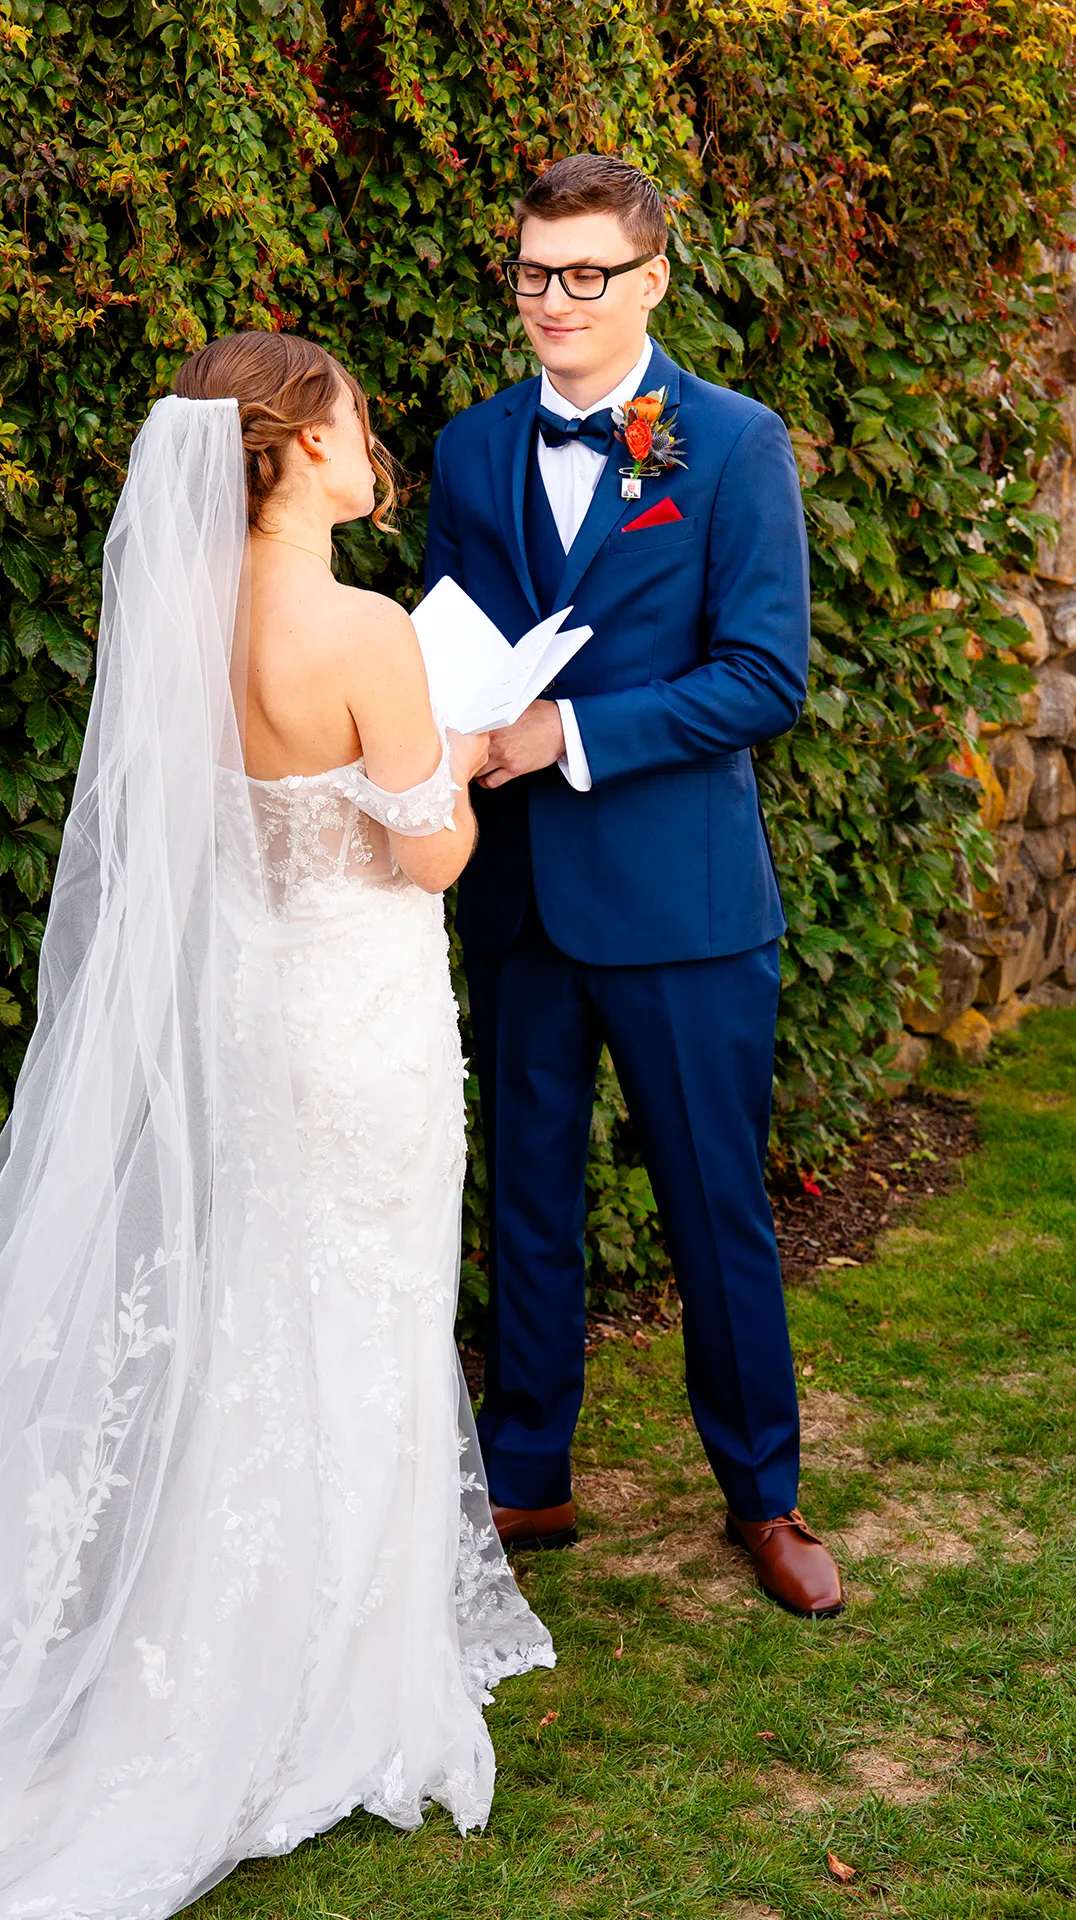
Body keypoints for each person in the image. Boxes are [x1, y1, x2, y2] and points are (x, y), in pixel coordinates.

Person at [0, 334, 552, 1920]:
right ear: (290, 448)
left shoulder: (180, 622)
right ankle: (331, 1673)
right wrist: (471, 754)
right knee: (364, 1311)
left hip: (250, 1008)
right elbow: (429, 862)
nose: (374, 451)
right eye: (350, 425)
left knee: (267, 1314)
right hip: (358, 1020)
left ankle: (243, 1625)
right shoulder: (359, 630)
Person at [426, 152, 844, 1618]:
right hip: (521, 893)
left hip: (686, 906)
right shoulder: (472, 449)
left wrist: (568, 733)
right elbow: (451, 631)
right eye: (535, 271)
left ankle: (766, 1496)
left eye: (585, 273)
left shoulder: (731, 447)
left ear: (651, 280)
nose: (553, 299)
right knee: (528, 1196)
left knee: (713, 1204)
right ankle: (525, 1470)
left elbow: (764, 676)